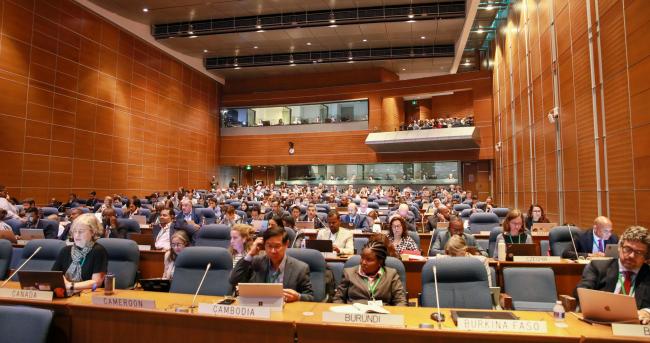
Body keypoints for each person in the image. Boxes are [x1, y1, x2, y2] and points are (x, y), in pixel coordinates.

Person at [574, 226, 650, 324]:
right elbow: (580, 292)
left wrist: (647, 312)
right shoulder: (598, 267)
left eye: (638, 252)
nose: (631, 256)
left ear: (647, 256)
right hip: (600, 323)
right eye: (627, 249)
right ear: (619, 247)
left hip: (635, 328)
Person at [229, 226, 314, 302]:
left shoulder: (300, 268)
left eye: (277, 246)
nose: (273, 251)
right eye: (269, 246)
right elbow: (234, 280)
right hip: (259, 311)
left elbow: (310, 297)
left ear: (286, 244)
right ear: (263, 245)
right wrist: (250, 254)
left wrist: (298, 297)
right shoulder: (256, 262)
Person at [332, 240, 407, 306]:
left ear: (380, 262)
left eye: (369, 260)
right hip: (354, 316)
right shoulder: (349, 273)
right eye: (362, 257)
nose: (363, 262)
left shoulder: (391, 275)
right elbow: (338, 298)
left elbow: (400, 301)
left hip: (382, 317)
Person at [52, 214, 108, 291]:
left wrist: (71, 286)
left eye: (81, 232)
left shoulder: (98, 251)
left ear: (93, 232)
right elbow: (54, 275)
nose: (77, 235)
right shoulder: (65, 250)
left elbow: (97, 282)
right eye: (75, 231)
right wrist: (63, 282)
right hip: (66, 293)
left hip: (89, 295)